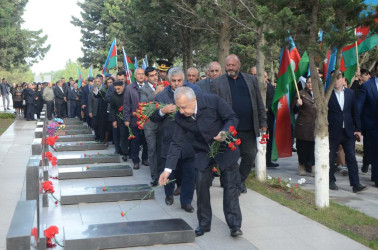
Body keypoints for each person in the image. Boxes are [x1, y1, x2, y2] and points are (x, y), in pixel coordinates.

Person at [159, 87, 243, 237]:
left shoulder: (213, 101)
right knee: (201, 186)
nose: (181, 112)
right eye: (178, 108)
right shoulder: (180, 117)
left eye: (184, 107)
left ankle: (234, 225)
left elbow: (232, 117)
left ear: (194, 100)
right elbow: (176, 143)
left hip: (225, 148)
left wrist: (225, 132)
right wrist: (167, 170)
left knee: (230, 186)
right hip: (202, 151)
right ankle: (204, 224)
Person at [211, 54, 267, 194]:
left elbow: (259, 102)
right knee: (230, 158)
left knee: (249, 155)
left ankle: (240, 181)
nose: (230, 68)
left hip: (249, 127)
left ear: (239, 65)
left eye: (233, 65)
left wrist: (263, 122)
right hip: (229, 129)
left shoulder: (251, 80)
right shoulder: (217, 83)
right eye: (228, 65)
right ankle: (232, 182)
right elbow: (214, 107)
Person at [150, 67, 199, 213]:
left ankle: (186, 202)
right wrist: (162, 111)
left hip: (189, 141)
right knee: (168, 171)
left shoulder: (191, 94)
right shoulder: (162, 96)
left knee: (189, 173)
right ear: (169, 81)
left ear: (184, 80)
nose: (176, 83)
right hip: (169, 140)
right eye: (173, 81)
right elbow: (152, 117)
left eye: (179, 80)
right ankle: (169, 195)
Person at [328, 71, 367, 193]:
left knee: (351, 157)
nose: (336, 80)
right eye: (333, 78)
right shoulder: (327, 95)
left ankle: (355, 184)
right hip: (333, 131)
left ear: (343, 79)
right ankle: (330, 181)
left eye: (338, 77)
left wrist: (358, 129)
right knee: (330, 157)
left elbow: (355, 113)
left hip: (348, 131)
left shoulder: (350, 94)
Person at [140, 67, 165, 185]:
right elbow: (143, 104)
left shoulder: (162, 85)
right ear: (146, 77)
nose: (155, 77)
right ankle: (154, 176)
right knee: (152, 149)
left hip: (162, 123)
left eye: (156, 74)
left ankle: (161, 173)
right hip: (149, 125)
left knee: (161, 149)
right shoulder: (143, 89)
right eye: (151, 75)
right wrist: (156, 93)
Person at [357, 61, 378, 188]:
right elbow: (359, 107)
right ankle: (376, 177)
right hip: (372, 125)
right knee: (375, 152)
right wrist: (358, 127)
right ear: (375, 71)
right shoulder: (366, 86)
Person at [123, 68, 149, 169]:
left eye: (143, 74)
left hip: (147, 119)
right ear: (135, 75)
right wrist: (126, 119)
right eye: (139, 74)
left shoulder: (148, 87)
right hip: (134, 119)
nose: (141, 76)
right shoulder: (129, 88)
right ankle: (135, 160)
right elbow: (126, 105)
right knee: (135, 141)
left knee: (146, 140)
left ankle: (145, 158)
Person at [293, 77, 316, 176]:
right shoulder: (301, 93)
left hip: (316, 126)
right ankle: (301, 165)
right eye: (308, 82)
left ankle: (314, 166)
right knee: (302, 147)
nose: (310, 84)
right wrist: (297, 105)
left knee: (314, 148)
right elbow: (293, 110)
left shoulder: (320, 94)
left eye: (312, 82)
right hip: (303, 126)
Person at [109, 80, 129, 157]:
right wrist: (113, 120)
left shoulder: (127, 93)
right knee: (121, 134)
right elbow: (112, 108)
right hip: (118, 117)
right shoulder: (113, 95)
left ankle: (127, 151)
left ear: (123, 86)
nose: (117, 90)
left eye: (119, 89)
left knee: (127, 135)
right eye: (115, 89)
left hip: (128, 116)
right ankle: (123, 151)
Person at [265, 71, 279, 168]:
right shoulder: (251, 86)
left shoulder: (270, 87)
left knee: (268, 139)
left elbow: (273, 101)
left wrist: (267, 108)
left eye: (265, 76)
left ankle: (268, 159)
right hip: (256, 117)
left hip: (269, 116)